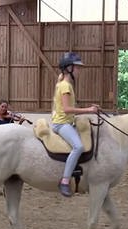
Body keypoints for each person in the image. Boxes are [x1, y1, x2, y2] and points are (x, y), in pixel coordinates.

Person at [52, 52, 99, 197]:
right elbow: (67, 110)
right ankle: (65, 181)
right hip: (61, 124)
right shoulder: (65, 86)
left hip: (67, 121)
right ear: (69, 68)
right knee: (78, 146)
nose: (79, 70)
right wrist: (89, 110)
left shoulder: (65, 84)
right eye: (77, 67)